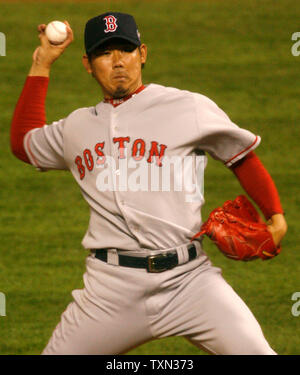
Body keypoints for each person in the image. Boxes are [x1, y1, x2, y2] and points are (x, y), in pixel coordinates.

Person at [10, 12, 287, 355]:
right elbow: (24, 143)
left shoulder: (188, 107)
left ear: (142, 53)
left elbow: (240, 156)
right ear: (88, 64)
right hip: (109, 292)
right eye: (105, 53)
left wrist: (275, 215)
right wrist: (42, 62)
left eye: (125, 50)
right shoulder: (76, 127)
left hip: (189, 282)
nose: (118, 62)